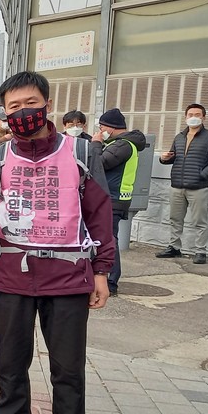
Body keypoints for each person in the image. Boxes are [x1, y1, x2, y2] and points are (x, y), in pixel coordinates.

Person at [0, 71, 114, 414]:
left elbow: (99, 214)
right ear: (4, 113)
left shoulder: (80, 152)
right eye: (14, 106)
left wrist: (102, 272)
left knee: (68, 372)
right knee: (10, 367)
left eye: (31, 103)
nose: (23, 112)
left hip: (69, 278)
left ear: (48, 104)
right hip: (14, 278)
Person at [92, 108, 146, 295]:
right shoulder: (121, 144)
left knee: (109, 240)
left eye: (101, 127)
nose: (100, 131)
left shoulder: (122, 145)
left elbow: (99, 163)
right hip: (114, 198)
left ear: (110, 127)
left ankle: (111, 282)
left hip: (113, 198)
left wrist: (96, 144)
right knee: (108, 239)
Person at [157, 104, 208, 264]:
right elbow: (173, 157)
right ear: (186, 117)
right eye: (190, 114)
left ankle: (200, 251)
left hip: (198, 187)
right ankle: (174, 247)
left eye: (197, 114)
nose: (193, 117)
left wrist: (202, 175)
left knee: (199, 221)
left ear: (203, 117)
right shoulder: (179, 137)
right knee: (175, 218)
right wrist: (164, 158)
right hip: (177, 185)